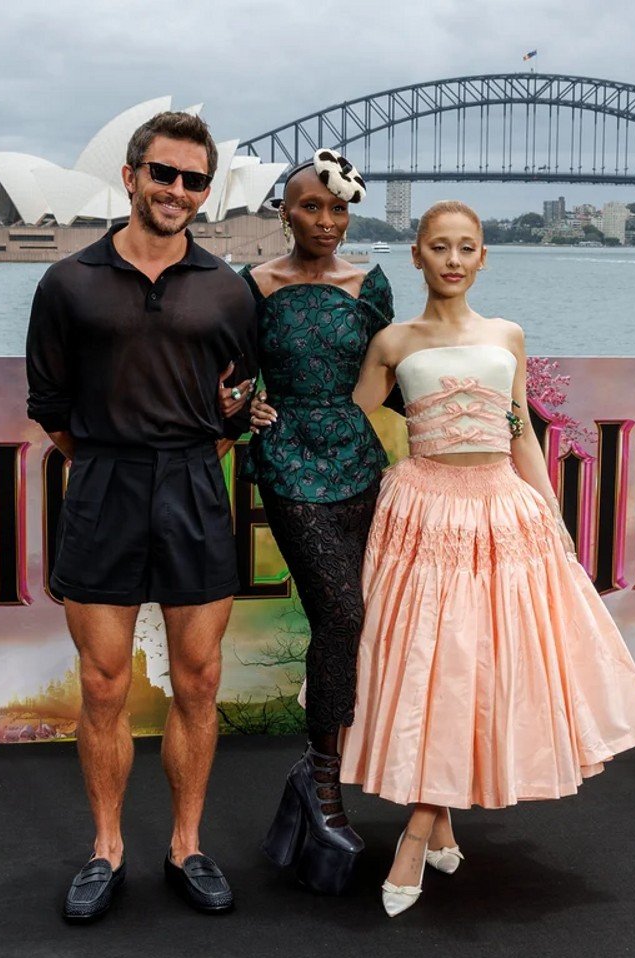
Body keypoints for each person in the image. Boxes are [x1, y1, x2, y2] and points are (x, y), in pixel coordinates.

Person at [340, 200, 635, 917]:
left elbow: (521, 436)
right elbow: (346, 422)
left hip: (500, 513)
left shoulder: (507, 337)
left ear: (483, 257)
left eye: (466, 247)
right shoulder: (392, 342)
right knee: (437, 668)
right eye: (439, 247)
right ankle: (436, 820)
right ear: (417, 255)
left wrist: (550, 515)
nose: (453, 260)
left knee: (479, 666)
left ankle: (417, 833)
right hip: (424, 515)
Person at [25, 111, 257, 922]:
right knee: (103, 684)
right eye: (165, 174)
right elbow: (50, 405)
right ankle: (107, 850)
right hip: (103, 488)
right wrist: (112, 459)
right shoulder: (67, 284)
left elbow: (237, 405)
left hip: (194, 487)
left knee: (197, 678)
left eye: (195, 180)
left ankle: (188, 846)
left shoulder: (229, 288)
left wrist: (187, 457)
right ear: (131, 176)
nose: (178, 192)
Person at [240, 149, 396, 894]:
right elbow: (231, 377)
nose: (326, 222)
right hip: (288, 461)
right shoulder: (255, 286)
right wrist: (244, 408)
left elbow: (400, 369)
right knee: (342, 611)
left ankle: (316, 773)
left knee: (363, 622)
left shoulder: (372, 283)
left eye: (337, 210)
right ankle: (326, 784)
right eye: (311, 207)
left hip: (359, 461)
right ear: (285, 212)